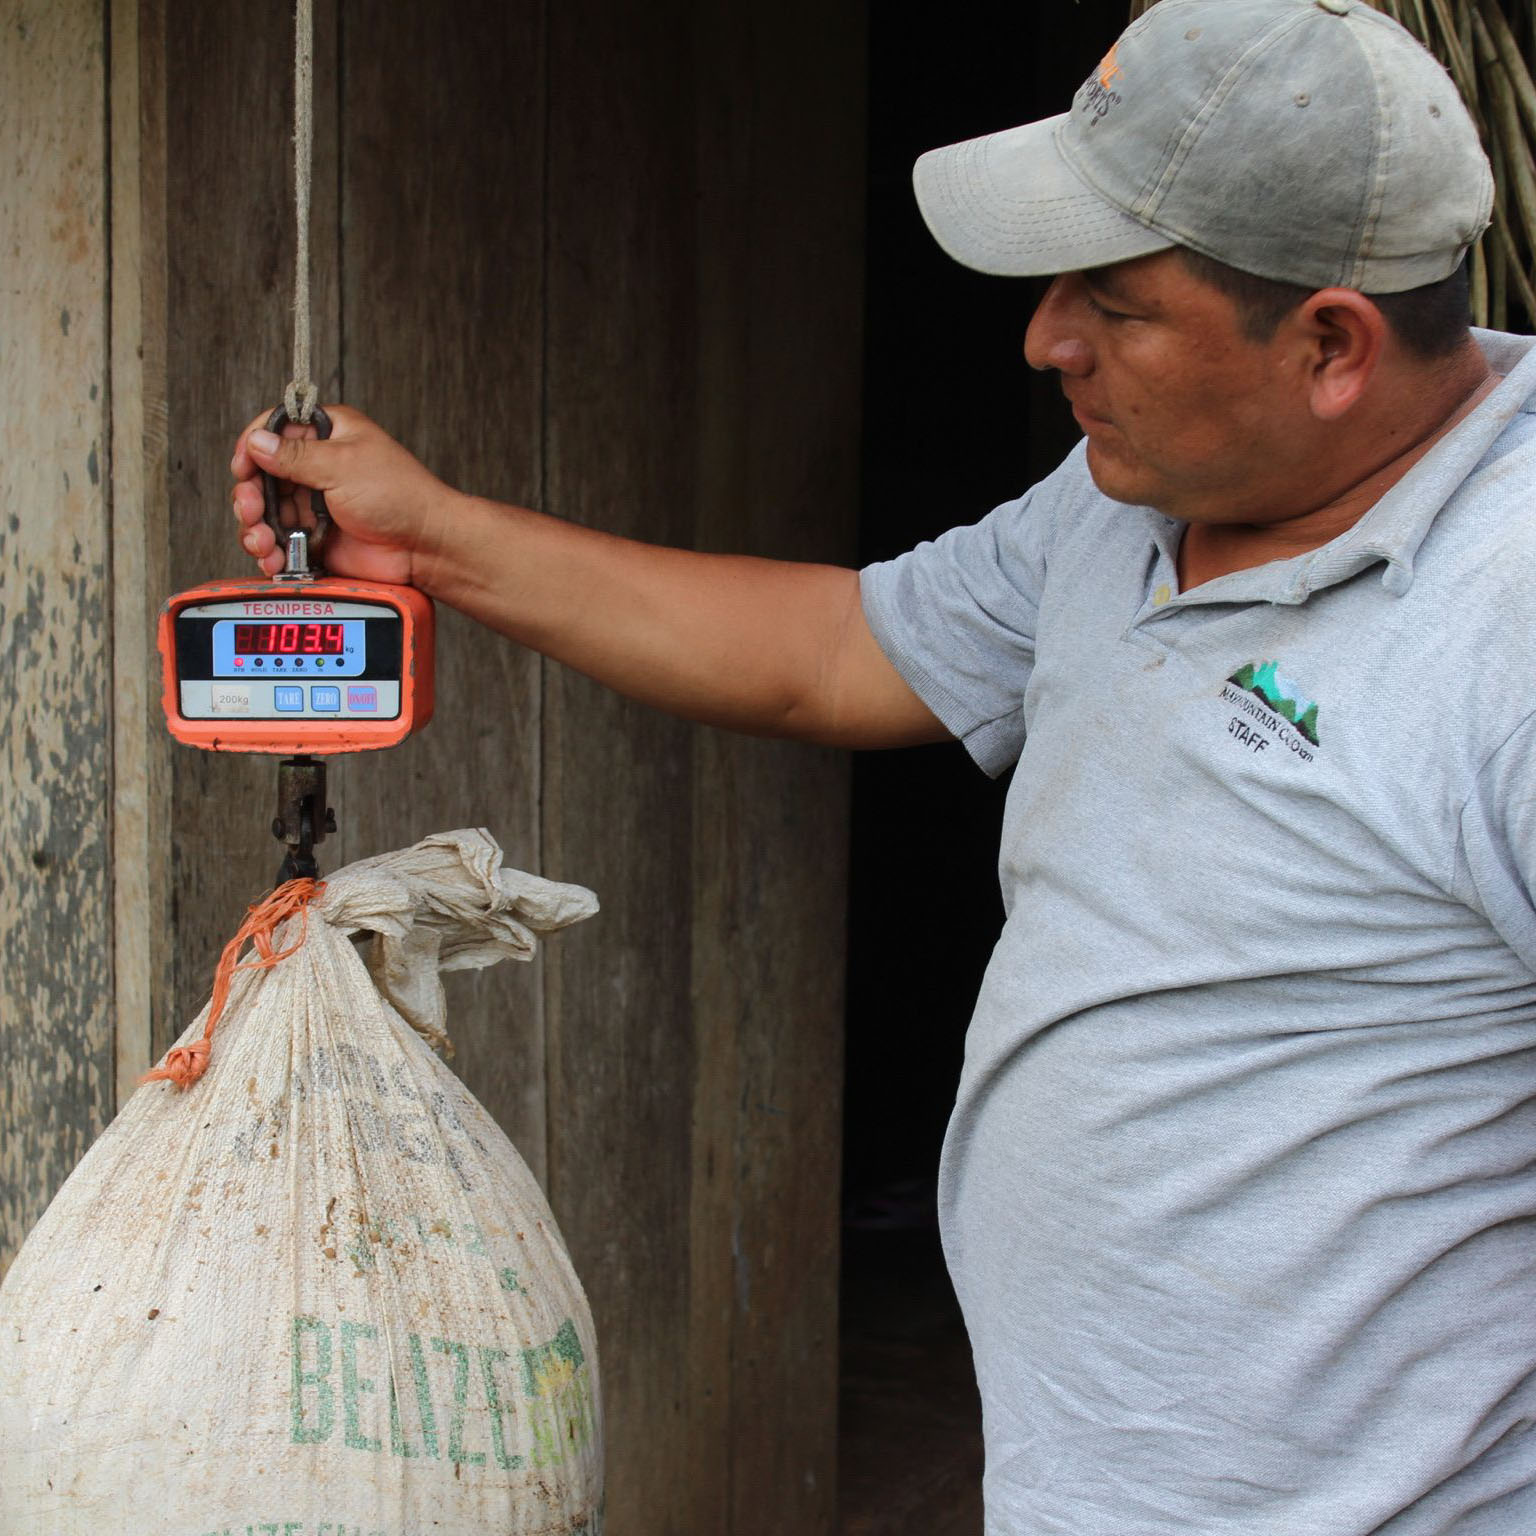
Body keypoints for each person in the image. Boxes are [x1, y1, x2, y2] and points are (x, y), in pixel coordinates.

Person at [233, 0, 1536, 1529]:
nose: (1045, 338)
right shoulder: (1133, 500)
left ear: (1329, 345)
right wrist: (431, 536)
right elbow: (841, 647)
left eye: (1111, 303)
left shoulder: (1502, 618)